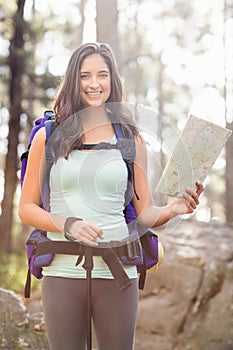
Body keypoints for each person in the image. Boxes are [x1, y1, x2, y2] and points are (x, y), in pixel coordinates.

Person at [18, 42, 204, 350]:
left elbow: (144, 215)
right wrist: (67, 223)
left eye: (101, 75)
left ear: (112, 81)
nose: (94, 84)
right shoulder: (47, 136)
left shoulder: (130, 137)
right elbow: (26, 208)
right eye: (85, 75)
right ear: (73, 80)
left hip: (119, 273)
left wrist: (175, 208)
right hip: (62, 272)